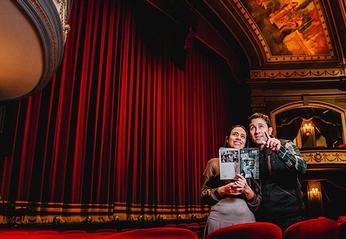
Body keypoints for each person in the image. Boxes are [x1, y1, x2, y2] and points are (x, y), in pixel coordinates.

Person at [248, 113, 307, 230]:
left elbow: (302, 168)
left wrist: (280, 150)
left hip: (291, 216)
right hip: (264, 218)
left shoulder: (285, 144)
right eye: (252, 128)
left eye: (261, 126)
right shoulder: (250, 156)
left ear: (270, 130)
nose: (257, 131)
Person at [201, 125, 261, 235]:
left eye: (243, 136)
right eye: (235, 134)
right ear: (227, 139)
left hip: (246, 219)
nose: (239, 138)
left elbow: (259, 202)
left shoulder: (252, 163)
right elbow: (203, 196)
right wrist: (222, 190)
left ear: (245, 142)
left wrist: (247, 189)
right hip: (218, 219)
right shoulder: (213, 163)